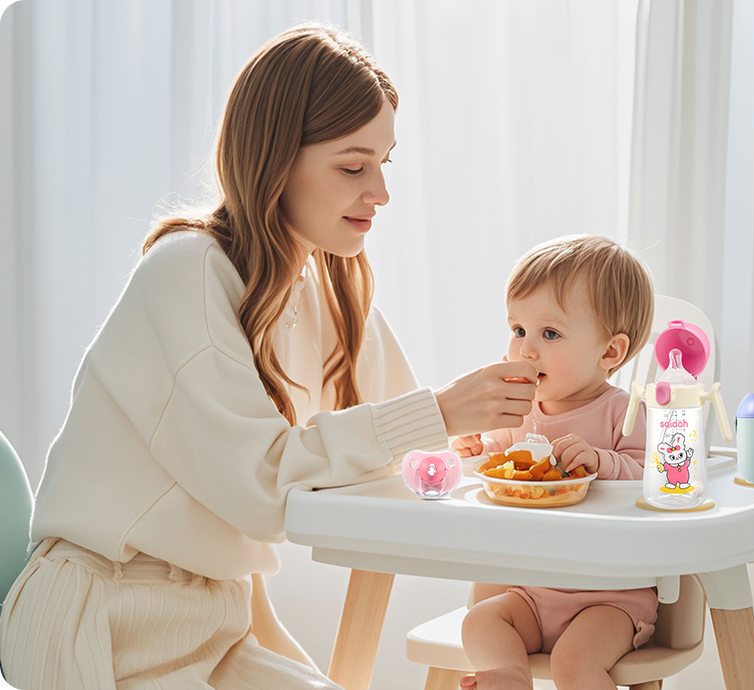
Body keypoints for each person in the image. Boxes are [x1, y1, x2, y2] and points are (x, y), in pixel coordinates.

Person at [0, 25, 538, 689]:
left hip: (215, 624)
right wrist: (443, 410)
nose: (381, 193)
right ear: (278, 159)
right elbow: (261, 486)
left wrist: (521, 438)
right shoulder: (189, 272)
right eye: (352, 166)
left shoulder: (330, 293)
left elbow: (416, 446)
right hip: (102, 623)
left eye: (384, 163)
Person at [453, 235, 657, 690]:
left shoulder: (623, 413)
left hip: (609, 598)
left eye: (550, 334)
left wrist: (603, 462)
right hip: (530, 590)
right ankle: (509, 679)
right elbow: (497, 469)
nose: (525, 350)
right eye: (518, 329)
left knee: (573, 665)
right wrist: (475, 451)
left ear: (609, 352)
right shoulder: (515, 410)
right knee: (479, 622)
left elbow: (655, 476)